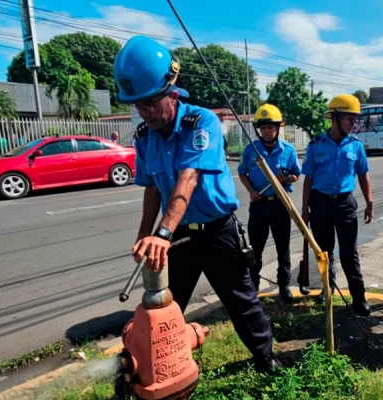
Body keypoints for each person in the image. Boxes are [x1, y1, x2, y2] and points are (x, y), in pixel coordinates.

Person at [113, 35, 280, 372]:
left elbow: (188, 178)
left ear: (171, 95)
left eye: (149, 103)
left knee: (241, 302)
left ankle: (266, 360)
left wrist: (161, 233)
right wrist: (145, 235)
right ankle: (155, 368)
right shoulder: (145, 136)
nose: (143, 112)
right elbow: (152, 189)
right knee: (165, 304)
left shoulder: (202, 123)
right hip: (179, 237)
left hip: (218, 231)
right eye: (138, 106)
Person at [301, 94, 374, 316]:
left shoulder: (356, 146)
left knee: (349, 254)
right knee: (324, 252)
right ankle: (327, 290)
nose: (354, 124)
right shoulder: (315, 146)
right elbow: (308, 179)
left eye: (355, 120)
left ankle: (358, 298)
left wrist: (370, 202)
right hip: (320, 204)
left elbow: (363, 176)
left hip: (345, 204)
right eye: (349, 119)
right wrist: (305, 210)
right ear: (335, 118)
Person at [238, 104, 301, 304]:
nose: (267, 131)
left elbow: (296, 174)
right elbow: (242, 172)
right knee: (256, 248)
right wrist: (251, 191)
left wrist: (287, 179)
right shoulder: (251, 150)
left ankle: (284, 287)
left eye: (270, 127)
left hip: (281, 205)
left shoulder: (288, 150)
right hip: (259, 205)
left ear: (277, 128)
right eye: (263, 128)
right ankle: (253, 286)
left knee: (283, 248)